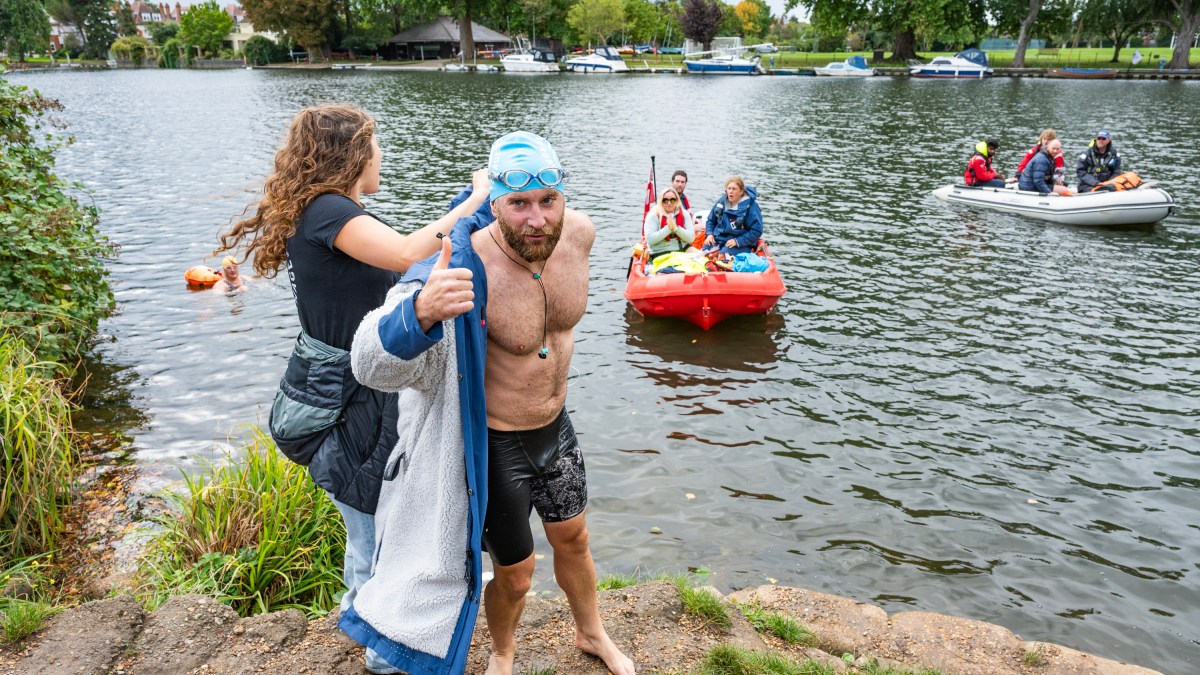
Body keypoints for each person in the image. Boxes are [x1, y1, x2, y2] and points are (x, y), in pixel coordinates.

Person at [344, 131, 635, 675]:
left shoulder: (580, 235)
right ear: (494, 203)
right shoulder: (461, 260)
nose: (536, 219)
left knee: (574, 538)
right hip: (496, 441)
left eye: (548, 201)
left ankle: (592, 633)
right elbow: (369, 362)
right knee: (518, 572)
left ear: (563, 196)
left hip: (556, 428)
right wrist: (423, 313)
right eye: (518, 204)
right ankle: (503, 653)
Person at [214, 103, 490, 675]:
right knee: (372, 516)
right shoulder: (328, 209)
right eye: (375, 144)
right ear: (353, 153)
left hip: (352, 384)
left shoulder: (330, 210)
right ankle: (382, 651)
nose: (380, 155)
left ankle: (362, 613)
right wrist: (473, 200)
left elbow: (411, 258)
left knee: (368, 512)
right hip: (346, 395)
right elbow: (405, 253)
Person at [703, 176, 763, 257]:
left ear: (741, 191)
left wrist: (737, 241)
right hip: (719, 238)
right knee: (703, 254)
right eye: (729, 188)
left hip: (740, 242)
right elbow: (711, 220)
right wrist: (709, 234)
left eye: (734, 189)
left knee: (723, 257)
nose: (731, 191)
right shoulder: (721, 202)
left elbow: (757, 231)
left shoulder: (750, 207)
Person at [642, 187, 696, 258]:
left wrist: (676, 229)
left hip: (682, 248)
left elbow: (691, 238)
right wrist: (668, 228)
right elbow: (650, 240)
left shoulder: (685, 214)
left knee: (701, 258)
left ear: (677, 201)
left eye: (672, 200)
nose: (669, 203)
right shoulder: (653, 215)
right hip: (660, 251)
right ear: (661, 201)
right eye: (665, 200)